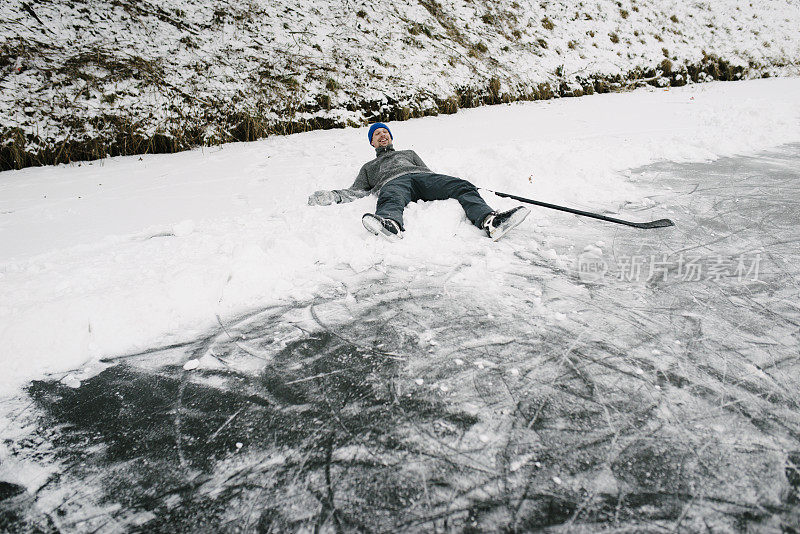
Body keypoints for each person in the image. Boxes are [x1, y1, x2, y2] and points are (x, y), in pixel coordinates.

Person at [307, 122, 530, 241]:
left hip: (423, 178)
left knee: (461, 185)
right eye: (377, 134)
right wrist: (333, 195)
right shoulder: (368, 167)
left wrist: (443, 183)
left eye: (385, 132)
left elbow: (428, 172)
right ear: (372, 143)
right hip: (393, 183)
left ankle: (490, 221)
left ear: (391, 137)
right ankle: (390, 224)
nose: (382, 135)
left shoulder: (409, 153)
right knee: (390, 197)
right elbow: (356, 191)